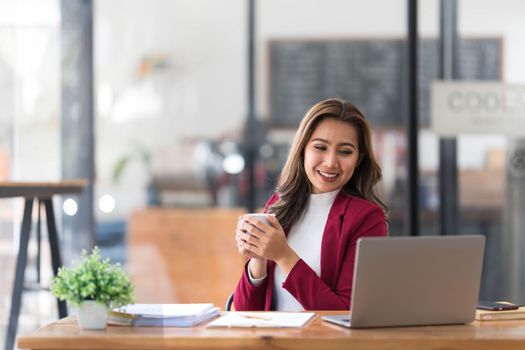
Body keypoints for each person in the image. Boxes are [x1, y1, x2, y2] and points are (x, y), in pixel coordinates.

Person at [234, 98, 388, 311]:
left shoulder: (367, 218)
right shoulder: (279, 206)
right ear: (302, 149)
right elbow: (246, 313)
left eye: (345, 151)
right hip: (273, 343)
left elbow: (344, 312)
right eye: (320, 147)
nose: (331, 162)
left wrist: (283, 255)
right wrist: (257, 259)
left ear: (358, 159)